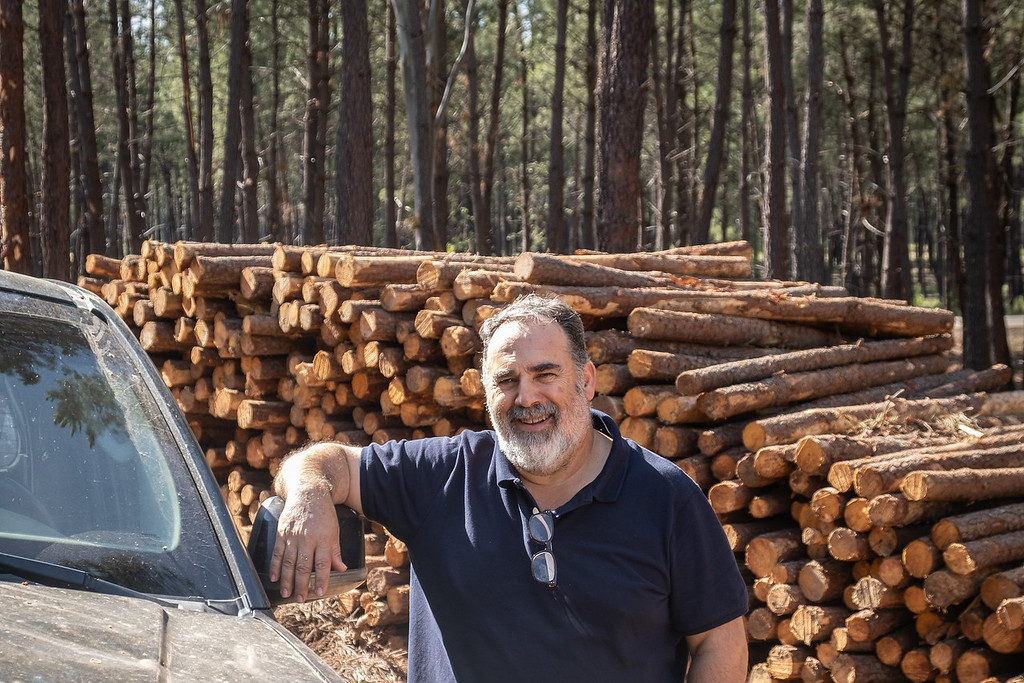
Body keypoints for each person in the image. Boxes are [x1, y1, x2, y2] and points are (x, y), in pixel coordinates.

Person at [270, 293, 749, 682]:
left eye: (545, 375)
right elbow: (328, 463)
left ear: (586, 379)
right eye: (507, 381)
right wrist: (310, 494)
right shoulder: (442, 475)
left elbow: (718, 643)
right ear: (486, 393)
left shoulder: (667, 499)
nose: (527, 397)